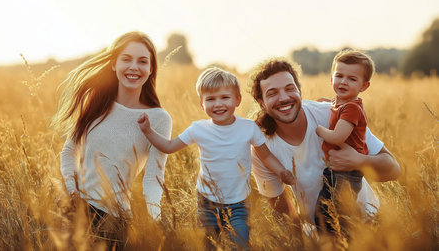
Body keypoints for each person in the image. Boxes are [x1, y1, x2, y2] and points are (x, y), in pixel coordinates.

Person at [137, 67, 295, 250]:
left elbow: (266, 156)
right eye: (210, 99)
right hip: (207, 203)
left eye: (224, 97)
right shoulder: (198, 129)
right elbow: (169, 146)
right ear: (202, 104)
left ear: (237, 100)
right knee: (209, 245)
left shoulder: (248, 128)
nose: (218, 104)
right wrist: (148, 130)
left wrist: (282, 171)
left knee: (240, 245)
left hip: (238, 204)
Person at [249, 59, 400, 233]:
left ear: (299, 91)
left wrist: (359, 161)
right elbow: (285, 214)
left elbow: (393, 170)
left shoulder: (332, 114)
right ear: (262, 104)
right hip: (322, 237)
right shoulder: (262, 148)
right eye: (272, 93)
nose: (283, 98)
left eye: (290, 88)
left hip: (369, 226)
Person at [51, 31, 172, 247]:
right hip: (76, 212)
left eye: (142, 61)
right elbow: (70, 150)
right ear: (114, 63)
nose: (134, 67)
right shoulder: (96, 103)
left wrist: (152, 224)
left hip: (115, 220)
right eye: (126, 59)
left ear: (151, 69)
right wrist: (71, 189)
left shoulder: (158, 119)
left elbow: (153, 179)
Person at [314, 50, 374, 233]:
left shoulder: (352, 109)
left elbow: (337, 136)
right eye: (339, 76)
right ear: (331, 79)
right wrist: (328, 103)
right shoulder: (342, 104)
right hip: (339, 170)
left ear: (364, 86)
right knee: (325, 212)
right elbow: (338, 107)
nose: (343, 82)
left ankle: (349, 240)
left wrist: (319, 129)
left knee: (333, 217)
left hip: (346, 173)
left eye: (352, 79)